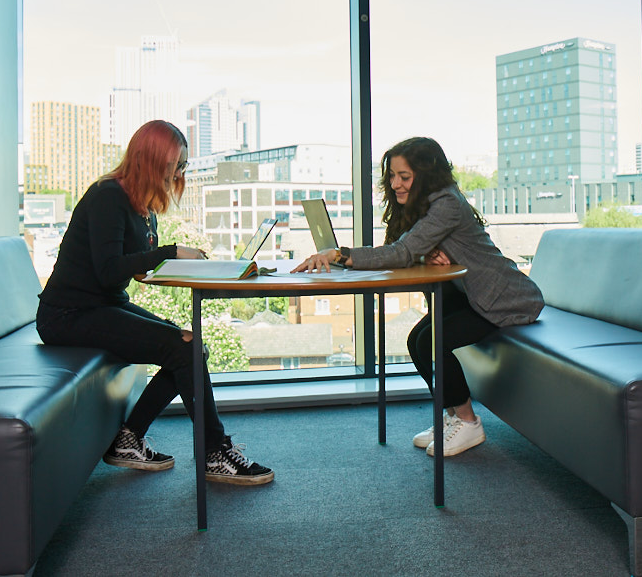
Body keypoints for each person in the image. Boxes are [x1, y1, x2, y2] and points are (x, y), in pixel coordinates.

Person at [36, 120, 273, 485]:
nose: (180, 172)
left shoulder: (140, 205)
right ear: (152, 160)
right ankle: (213, 452)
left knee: (192, 345)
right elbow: (107, 270)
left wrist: (177, 264)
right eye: (177, 164)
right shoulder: (107, 197)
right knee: (182, 350)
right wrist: (169, 252)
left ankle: (129, 439)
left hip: (101, 305)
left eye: (183, 165)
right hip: (67, 314)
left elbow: (132, 270)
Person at [293, 137, 544, 456]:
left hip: (507, 301)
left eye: (405, 177)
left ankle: (468, 423)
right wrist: (423, 257)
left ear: (426, 175)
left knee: (432, 341)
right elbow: (405, 248)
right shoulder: (420, 205)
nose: (396, 183)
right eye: (393, 176)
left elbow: (401, 252)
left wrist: (340, 255)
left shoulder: (447, 203)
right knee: (417, 340)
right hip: (474, 295)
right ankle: (452, 416)